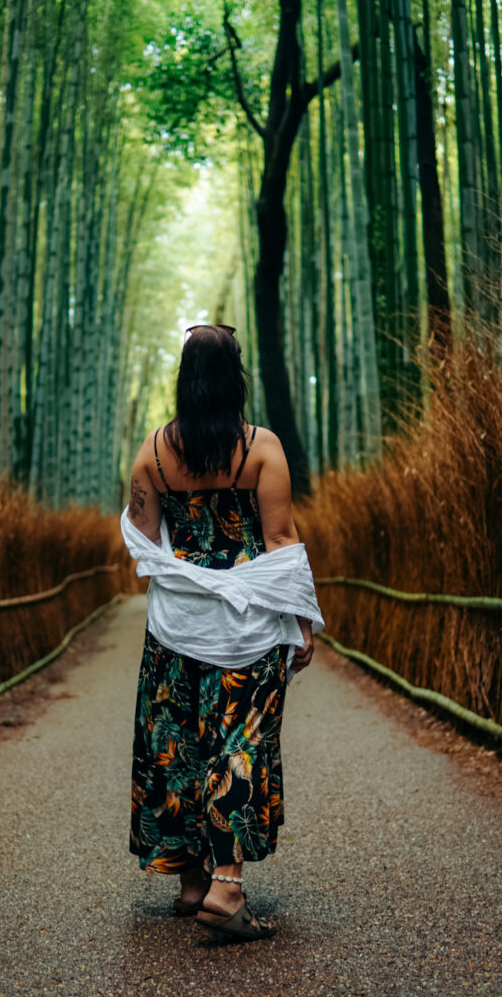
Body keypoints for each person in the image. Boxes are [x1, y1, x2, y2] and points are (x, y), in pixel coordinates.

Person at [120, 323, 324, 941]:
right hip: (249, 626)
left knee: (175, 740)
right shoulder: (261, 448)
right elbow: (281, 542)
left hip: (176, 624)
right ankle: (225, 887)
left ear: (185, 379)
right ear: (236, 378)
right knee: (240, 740)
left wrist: (184, 574)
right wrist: (302, 618)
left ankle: (188, 883)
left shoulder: (153, 453)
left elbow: (140, 536)